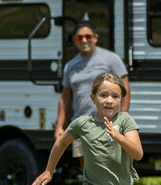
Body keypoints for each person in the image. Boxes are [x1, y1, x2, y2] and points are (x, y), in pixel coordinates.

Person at [55, 21, 130, 164]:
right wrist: (59, 126)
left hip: (107, 122)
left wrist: (123, 118)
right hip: (81, 124)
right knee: (86, 167)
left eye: (87, 36)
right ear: (75, 40)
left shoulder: (111, 59)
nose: (84, 40)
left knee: (109, 164)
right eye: (79, 37)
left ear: (95, 38)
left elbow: (125, 89)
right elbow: (65, 98)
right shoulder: (70, 66)